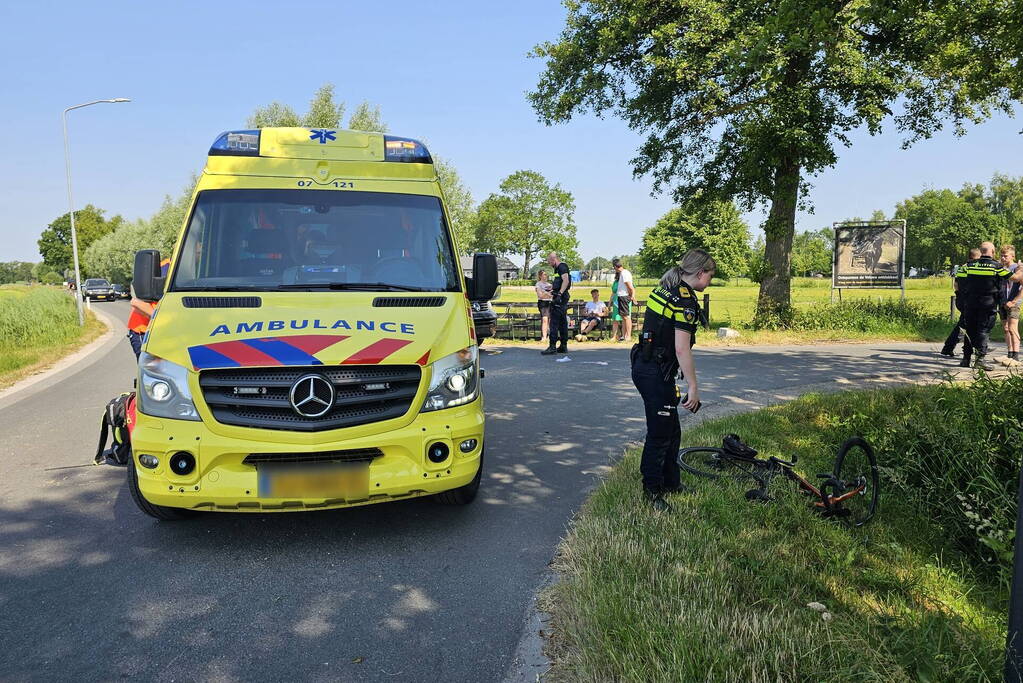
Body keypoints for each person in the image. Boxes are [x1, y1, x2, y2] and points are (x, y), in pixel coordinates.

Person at [632, 249, 714, 512]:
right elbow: (681, 348)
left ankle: (671, 482)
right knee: (659, 433)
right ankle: (652, 491)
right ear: (700, 273)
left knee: (671, 429)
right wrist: (693, 386)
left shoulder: (666, 287)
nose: (710, 281)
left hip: (647, 365)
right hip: (655, 372)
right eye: (710, 276)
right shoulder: (685, 301)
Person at [957, 241, 1023, 370]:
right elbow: (1015, 278)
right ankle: (980, 360)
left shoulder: (969, 265)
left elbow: (960, 280)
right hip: (988, 304)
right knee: (983, 330)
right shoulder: (996, 266)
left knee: (970, 330)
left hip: (970, 303)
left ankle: (966, 359)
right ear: (993, 252)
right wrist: (1021, 268)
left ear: (981, 251)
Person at [126, 258, 170, 359]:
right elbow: (136, 302)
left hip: (166, 332)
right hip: (144, 331)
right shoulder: (164, 269)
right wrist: (163, 320)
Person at [940, 248, 981, 358]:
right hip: (969, 300)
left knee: (964, 323)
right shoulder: (973, 267)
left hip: (961, 299)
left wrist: (958, 295)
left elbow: (956, 284)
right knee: (964, 325)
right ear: (977, 257)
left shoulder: (962, 267)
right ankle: (950, 347)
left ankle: (950, 347)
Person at [541, 251, 571, 355]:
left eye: (549, 261)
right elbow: (560, 282)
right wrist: (552, 287)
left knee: (554, 322)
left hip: (560, 298)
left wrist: (559, 294)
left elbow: (566, 281)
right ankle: (563, 346)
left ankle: (552, 346)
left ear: (553, 259)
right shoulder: (557, 269)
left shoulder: (562, 267)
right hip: (560, 296)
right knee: (562, 322)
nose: (549, 264)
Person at [999, 245, 1021, 361]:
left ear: (1012, 256)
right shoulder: (1000, 268)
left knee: (1013, 328)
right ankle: (1010, 353)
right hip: (1002, 301)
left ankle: (1016, 356)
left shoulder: (1018, 268)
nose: (1003, 258)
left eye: (1005, 256)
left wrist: (1014, 301)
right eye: (1001, 256)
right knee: (1006, 328)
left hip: (1013, 302)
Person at [610, 258, 636, 342]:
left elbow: (630, 286)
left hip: (624, 296)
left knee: (626, 317)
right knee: (624, 317)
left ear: (615, 267)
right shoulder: (623, 273)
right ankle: (625, 336)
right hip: (621, 296)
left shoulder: (624, 273)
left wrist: (632, 296)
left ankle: (628, 336)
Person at [535, 270, 553, 343]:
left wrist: (545, 293)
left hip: (550, 302)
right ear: (540, 276)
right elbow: (540, 296)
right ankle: (544, 337)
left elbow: (552, 295)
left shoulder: (550, 285)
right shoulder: (538, 284)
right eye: (544, 274)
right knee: (545, 319)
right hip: (543, 303)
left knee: (550, 320)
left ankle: (550, 336)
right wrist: (546, 293)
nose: (546, 276)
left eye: (546, 274)